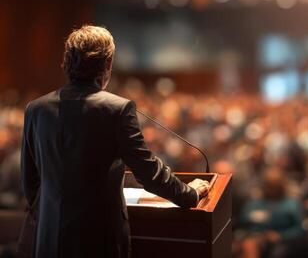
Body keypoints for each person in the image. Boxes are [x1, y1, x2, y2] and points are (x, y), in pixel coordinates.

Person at [19, 25, 210, 258]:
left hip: (48, 239)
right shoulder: (117, 109)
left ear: (67, 61)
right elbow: (149, 173)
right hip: (98, 239)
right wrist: (190, 193)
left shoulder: (36, 109)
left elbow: (30, 183)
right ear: (108, 64)